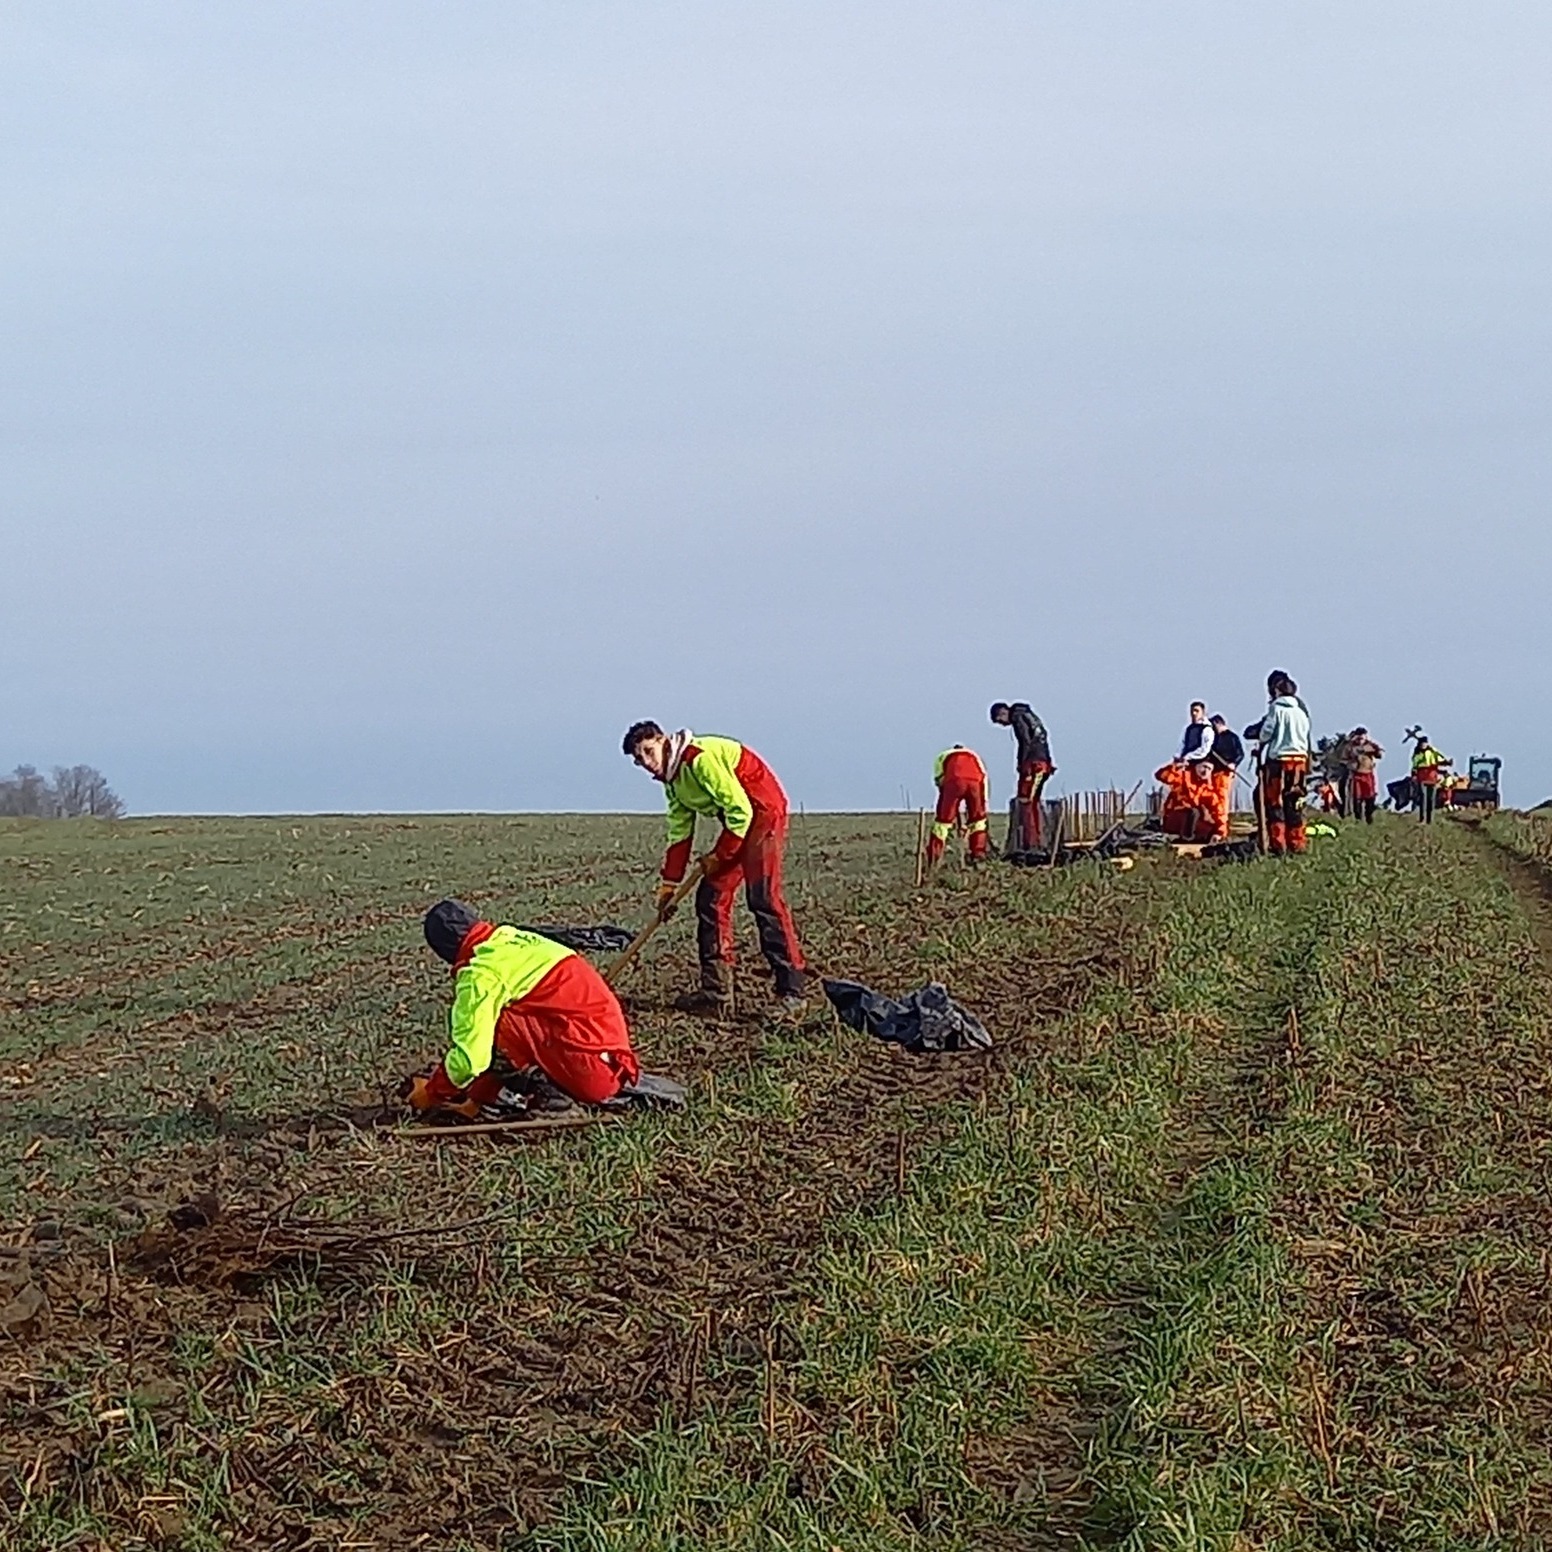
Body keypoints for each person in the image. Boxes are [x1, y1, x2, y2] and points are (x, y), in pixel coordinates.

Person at [622, 721, 806, 1015]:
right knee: (710, 899)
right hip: (737, 822)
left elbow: (741, 810)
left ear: (662, 740)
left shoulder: (698, 758)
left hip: (762, 812)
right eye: (638, 759)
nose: (646, 763)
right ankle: (717, 994)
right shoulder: (673, 783)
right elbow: (680, 834)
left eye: (648, 751)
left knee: (763, 898)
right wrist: (668, 887)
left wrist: (720, 855)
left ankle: (792, 990)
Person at [407, 899, 641, 1116]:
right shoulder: (514, 939)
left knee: (493, 1024)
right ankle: (487, 1097)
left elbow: (471, 1060)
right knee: (505, 1016)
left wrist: (431, 1093)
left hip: (593, 1073)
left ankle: (547, 1099)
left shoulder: (482, 973)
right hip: (613, 1057)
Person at [1243, 671, 1313, 856]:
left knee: (1275, 803)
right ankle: (1297, 844)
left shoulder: (1276, 709)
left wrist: (1261, 742)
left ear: (1276, 691)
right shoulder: (1301, 711)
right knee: (1295, 803)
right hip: (1299, 762)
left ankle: (1278, 844)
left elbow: (1267, 732)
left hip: (1279, 762)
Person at [990, 701, 1055, 851]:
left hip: (1033, 765)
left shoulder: (1018, 718)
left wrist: (1022, 764)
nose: (1003, 725)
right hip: (1043, 762)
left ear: (1003, 713)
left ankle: (1031, 843)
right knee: (1034, 802)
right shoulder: (1030, 716)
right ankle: (1036, 840)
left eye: (1000, 721)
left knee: (1026, 802)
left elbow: (1026, 742)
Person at [927, 745, 991, 866]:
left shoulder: (942, 756)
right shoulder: (974, 755)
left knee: (943, 821)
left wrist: (949, 807)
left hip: (954, 781)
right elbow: (983, 778)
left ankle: (934, 855)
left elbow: (939, 781)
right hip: (975, 783)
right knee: (978, 820)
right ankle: (978, 853)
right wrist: (983, 805)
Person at [1154, 760, 1219, 841]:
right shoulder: (1183, 777)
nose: (1205, 771)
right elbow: (1162, 776)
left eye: (1209, 769)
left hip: (1193, 821)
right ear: (1196, 766)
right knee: (1193, 812)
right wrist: (1175, 766)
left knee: (1210, 825)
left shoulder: (1208, 789)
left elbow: (1218, 811)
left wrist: (1219, 831)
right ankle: (1186, 839)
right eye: (1204, 767)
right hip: (1175, 817)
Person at [1207, 715, 1243, 840]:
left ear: (1218, 724)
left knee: (1221, 800)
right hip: (1213, 773)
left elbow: (1239, 754)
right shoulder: (1213, 739)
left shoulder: (1232, 737)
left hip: (1225, 773)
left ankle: (1222, 829)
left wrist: (1233, 764)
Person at [1345, 728, 1384, 824]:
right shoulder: (1350, 746)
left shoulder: (1370, 745)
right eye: (1359, 736)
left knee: (1370, 797)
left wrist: (1374, 749)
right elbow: (1344, 758)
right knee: (1357, 798)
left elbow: (1379, 755)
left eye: (1363, 735)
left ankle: (1369, 816)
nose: (1360, 738)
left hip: (1368, 774)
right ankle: (1358, 819)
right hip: (1356, 774)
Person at [1409, 734, 1450, 824]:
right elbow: (1415, 765)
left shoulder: (1433, 752)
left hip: (1432, 778)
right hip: (1422, 778)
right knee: (1423, 798)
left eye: (1425, 743)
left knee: (1431, 799)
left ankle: (1429, 819)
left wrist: (1447, 762)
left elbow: (1440, 760)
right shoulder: (1417, 754)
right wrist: (1414, 775)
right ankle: (1422, 818)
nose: (1423, 745)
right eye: (1422, 743)